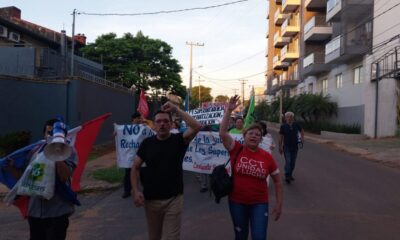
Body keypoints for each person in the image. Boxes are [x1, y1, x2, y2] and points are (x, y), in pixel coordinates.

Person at [131, 101, 201, 240]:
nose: (162, 124)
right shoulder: (147, 143)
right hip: (151, 200)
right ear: (154, 125)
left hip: (174, 199)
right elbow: (135, 167)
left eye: (165, 121)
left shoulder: (179, 140)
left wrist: (176, 109)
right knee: (154, 236)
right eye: (158, 121)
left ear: (170, 124)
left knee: (171, 237)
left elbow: (196, 126)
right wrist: (135, 190)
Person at [219, 95, 283, 240]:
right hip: (236, 202)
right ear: (244, 136)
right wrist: (228, 111)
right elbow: (222, 133)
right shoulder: (236, 149)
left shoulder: (266, 157)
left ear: (261, 139)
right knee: (240, 236)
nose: (254, 136)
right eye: (251, 133)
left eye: (258, 135)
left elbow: (278, 181)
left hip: (259, 204)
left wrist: (279, 204)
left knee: (259, 237)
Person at [7, 118, 78, 240]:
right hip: (35, 212)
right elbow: (24, 179)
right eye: (48, 132)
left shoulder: (69, 151)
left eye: (54, 133)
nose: (51, 136)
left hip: (57, 211)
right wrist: (11, 168)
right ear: (44, 134)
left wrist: (58, 152)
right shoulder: (35, 151)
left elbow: (65, 176)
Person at [121, 112, 144, 198]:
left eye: (139, 118)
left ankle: (145, 189)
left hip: (141, 155)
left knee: (143, 173)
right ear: (133, 119)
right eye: (137, 118)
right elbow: (119, 136)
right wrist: (117, 134)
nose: (139, 119)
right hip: (130, 155)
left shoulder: (143, 128)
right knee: (128, 173)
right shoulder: (126, 129)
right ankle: (127, 191)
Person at [279, 111, 304, 184]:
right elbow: (280, 137)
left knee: (293, 162)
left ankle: (290, 174)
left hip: (295, 147)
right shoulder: (283, 126)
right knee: (288, 161)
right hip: (286, 147)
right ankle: (287, 175)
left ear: (293, 118)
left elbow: (302, 130)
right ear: (285, 118)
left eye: (291, 117)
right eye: (287, 117)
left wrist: (302, 138)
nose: (289, 118)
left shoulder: (296, 124)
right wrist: (280, 147)